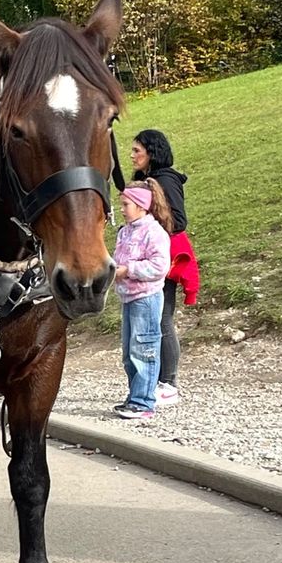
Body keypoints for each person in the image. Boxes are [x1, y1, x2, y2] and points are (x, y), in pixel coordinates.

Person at [130, 129, 191, 404]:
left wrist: (147, 230)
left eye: (136, 151)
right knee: (148, 321)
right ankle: (153, 380)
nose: (131, 156)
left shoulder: (165, 180)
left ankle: (169, 382)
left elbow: (179, 220)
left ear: (151, 153)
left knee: (162, 319)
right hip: (143, 259)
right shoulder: (143, 180)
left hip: (160, 259)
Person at [112, 179, 172, 422]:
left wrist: (127, 270)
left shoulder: (154, 232)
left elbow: (160, 266)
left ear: (141, 205)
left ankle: (144, 401)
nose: (122, 209)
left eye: (126, 204)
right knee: (129, 352)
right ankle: (134, 395)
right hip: (127, 298)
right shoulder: (125, 232)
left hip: (146, 299)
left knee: (144, 349)